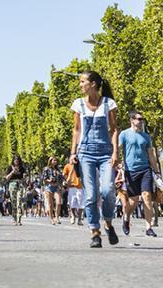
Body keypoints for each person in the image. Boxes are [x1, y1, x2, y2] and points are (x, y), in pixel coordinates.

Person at [70, 71, 119, 248]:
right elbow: (76, 130)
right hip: (85, 152)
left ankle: (108, 223)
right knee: (90, 195)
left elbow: (114, 130)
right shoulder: (78, 104)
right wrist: (72, 153)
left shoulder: (108, 103)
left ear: (93, 84)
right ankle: (95, 231)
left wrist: (115, 153)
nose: (80, 85)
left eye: (83, 82)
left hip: (106, 152)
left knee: (107, 191)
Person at [119, 110, 160, 237]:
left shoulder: (146, 137)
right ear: (132, 120)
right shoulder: (124, 134)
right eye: (139, 119)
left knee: (147, 196)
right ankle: (126, 217)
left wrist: (156, 171)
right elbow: (118, 149)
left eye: (142, 119)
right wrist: (117, 164)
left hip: (145, 169)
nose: (141, 121)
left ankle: (149, 227)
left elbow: (151, 155)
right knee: (133, 201)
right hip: (130, 171)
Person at [5, 155, 26, 225]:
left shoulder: (22, 168)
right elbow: (6, 178)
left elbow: (24, 178)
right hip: (12, 184)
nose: (16, 161)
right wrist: (12, 172)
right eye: (15, 160)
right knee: (13, 202)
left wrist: (25, 177)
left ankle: (19, 220)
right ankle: (14, 219)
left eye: (17, 160)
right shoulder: (10, 167)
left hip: (20, 184)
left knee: (19, 201)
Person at [63, 162, 85, 226]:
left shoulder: (81, 165)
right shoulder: (68, 166)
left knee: (81, 204)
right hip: (71, 187)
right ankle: (73, 215)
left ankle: (79, 219)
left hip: (80, 187)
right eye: (72, 158)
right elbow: (64, 174)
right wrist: (67, 180)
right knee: (72, 203)